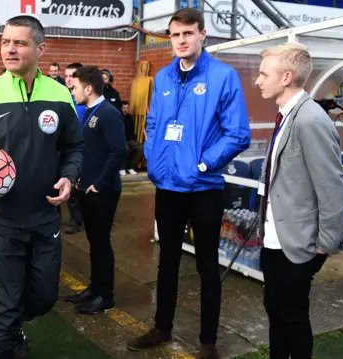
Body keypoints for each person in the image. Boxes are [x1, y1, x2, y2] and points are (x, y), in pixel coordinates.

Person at [0, 15, 84, 359]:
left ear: (40, 49)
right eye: (4, 42)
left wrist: (69, 177)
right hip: (0, 219)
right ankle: (9, 340)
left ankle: (12, 322)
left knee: (43, 297)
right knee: (8, 301)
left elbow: (74, 147)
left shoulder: (60, 95)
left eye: (20, 43)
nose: (9, 49)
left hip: (45, 215)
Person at [127, 9, 251, 359]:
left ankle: (207, 342)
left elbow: (237, 133)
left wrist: (203, 162)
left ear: (202, 35)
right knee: (166, 261)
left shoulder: (223, 77)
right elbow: (153, 123)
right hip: (167, 187)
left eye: (187, 34)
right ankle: (162, 328)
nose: (180, 40)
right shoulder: (164, 77)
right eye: (175, 35)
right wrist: (153, 158)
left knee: (207, 266)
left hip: (203, 188)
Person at [254, 42, 343, 359]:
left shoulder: (310, 120)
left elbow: (333, 186)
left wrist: (324, 245)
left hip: (298, 245)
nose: (258, 80)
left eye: (264, 74)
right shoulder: (285, 115)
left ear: (286, 77)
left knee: (293, 317)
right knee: (275, 311)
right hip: (274, 240)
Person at [65, 65, 126, 314]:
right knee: (94, 242)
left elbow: (119, 151)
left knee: (101, 243)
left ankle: (106, 296)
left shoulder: (108, 113)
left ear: (88, 88)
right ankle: (94, 288)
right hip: (89, 190)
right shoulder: (89, 111)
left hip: (102, 191)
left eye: (75, 87)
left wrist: (98, 184)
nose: (72, 92)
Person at [63, 62, 87, 234]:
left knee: (85, 188)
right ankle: (74, 221)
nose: (69, 79)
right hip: (67, 149)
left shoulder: (86, 100)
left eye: (73, 75)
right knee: (70, 185)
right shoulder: (61, 97)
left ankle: (86, 218)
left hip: (86, 149)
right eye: (67, 76)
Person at [120, 100, 142, 176]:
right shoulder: (118, 117)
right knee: (126, 149)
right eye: (123, 108)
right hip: (121, 139)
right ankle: (122, 168)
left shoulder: (130, 118)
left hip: (130, 139)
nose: (125, 110)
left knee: (140, 148)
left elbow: (132, 130)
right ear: (121, 108)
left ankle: (130, 167)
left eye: (126, 108)